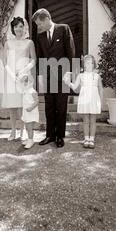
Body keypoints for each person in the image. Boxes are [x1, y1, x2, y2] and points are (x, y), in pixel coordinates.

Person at [33, 9, 76, 148]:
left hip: (63, 77)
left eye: (39, 24)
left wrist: (70, 73)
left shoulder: (63, 29)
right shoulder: (40, 37)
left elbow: (71, 52)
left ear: (46, 19)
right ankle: (50, 135)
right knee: (49, 107)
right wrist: (40, 76)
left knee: (61, 108)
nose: (38, 27)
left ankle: (60, 137)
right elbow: (40, 58)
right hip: (47, 77)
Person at [2, 17, 37, 142]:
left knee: (23, 104)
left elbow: (34, 59)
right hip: (11, 77)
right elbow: (5, 61)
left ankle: (22, 131)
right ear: (13, 28)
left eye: (21, 26)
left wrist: (24, 70)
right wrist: (12, 75)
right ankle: (12, 131)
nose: (18, 29)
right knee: (12, 106)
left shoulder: (29, 43)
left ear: (24, 28)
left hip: (24, 77)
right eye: (16, 26)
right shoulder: (7, 43)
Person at [64, 55, 103, 149]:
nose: (89, 64)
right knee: (85, 120)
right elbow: (74, 87)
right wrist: (68, 82)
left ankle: (92, 139)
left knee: (93, 120)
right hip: (84, 99)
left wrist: (100, 102)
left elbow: (101, 89)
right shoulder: (81, 76)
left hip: (94, 99)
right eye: (87, 62)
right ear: (84, 64)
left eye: (91, 62)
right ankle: (86, 139)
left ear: (94, 64)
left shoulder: (97, 76)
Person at [20, 74, 40, 149]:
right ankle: (29, 139)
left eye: (26, 82)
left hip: (31, 111)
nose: (24, 84)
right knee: (26, 126)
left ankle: (31, 140)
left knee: (29, 126)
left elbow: (37, 101)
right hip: (26, 111)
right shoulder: (25, 90)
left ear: (31, 82)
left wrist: (31, 107)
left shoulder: (33, 91)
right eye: (23, 82)